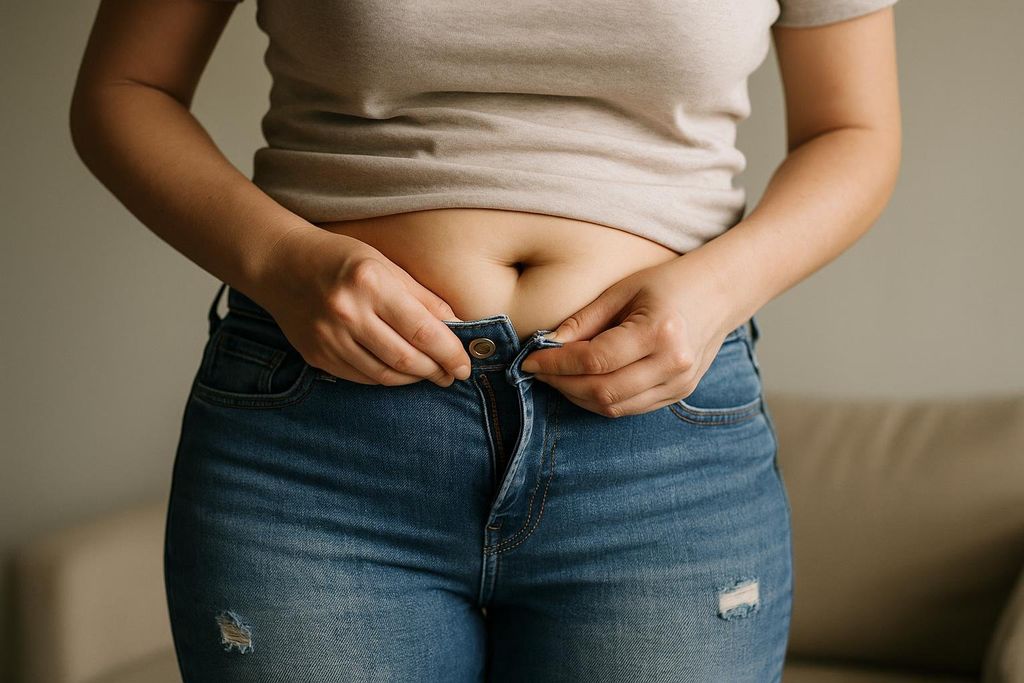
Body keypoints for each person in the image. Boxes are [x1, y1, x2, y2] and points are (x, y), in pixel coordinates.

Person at [70, 0, 901, 680]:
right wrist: (281, 261)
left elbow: (853, 129)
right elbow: (125, 86)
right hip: (322, 452)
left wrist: (719, 289)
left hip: (657, 452)